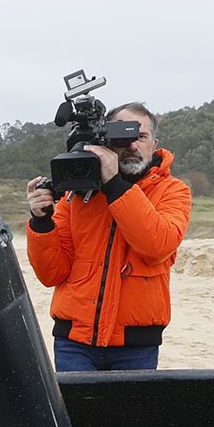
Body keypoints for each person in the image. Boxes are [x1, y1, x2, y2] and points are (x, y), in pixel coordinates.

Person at [25, 103, 192, 372]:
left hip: (136, 344)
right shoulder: (76, 195)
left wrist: (114, 183)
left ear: (155, 143)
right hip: (75, 341)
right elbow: (50, 274)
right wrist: (41, 221)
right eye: (122, 137)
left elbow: (157, 246)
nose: (132, 146)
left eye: (141, 137)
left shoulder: (173, 191)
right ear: (104, 141)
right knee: (77, 414)